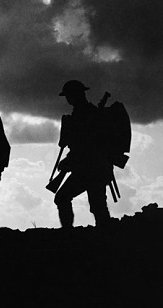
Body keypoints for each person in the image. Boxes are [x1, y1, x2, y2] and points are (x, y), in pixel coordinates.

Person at [53, 80, 113, 228]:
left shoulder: (86, 115)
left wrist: (69, 161)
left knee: (66, 199)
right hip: (91, 168)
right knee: (97, 205)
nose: (67, 99)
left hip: (92, 168)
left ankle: (72, 234)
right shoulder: (85, 114)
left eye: (68, 95)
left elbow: (87, 146)